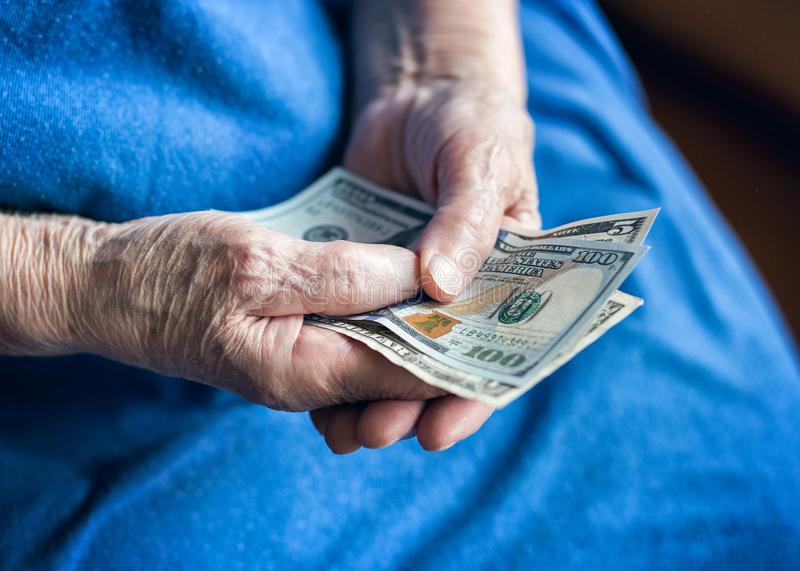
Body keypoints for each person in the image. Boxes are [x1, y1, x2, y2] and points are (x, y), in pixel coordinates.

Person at [0, 1, 797, 568]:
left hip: (418, 99)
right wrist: (73, 280)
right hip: (53, 381)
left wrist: (441, 63)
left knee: (763, 468)